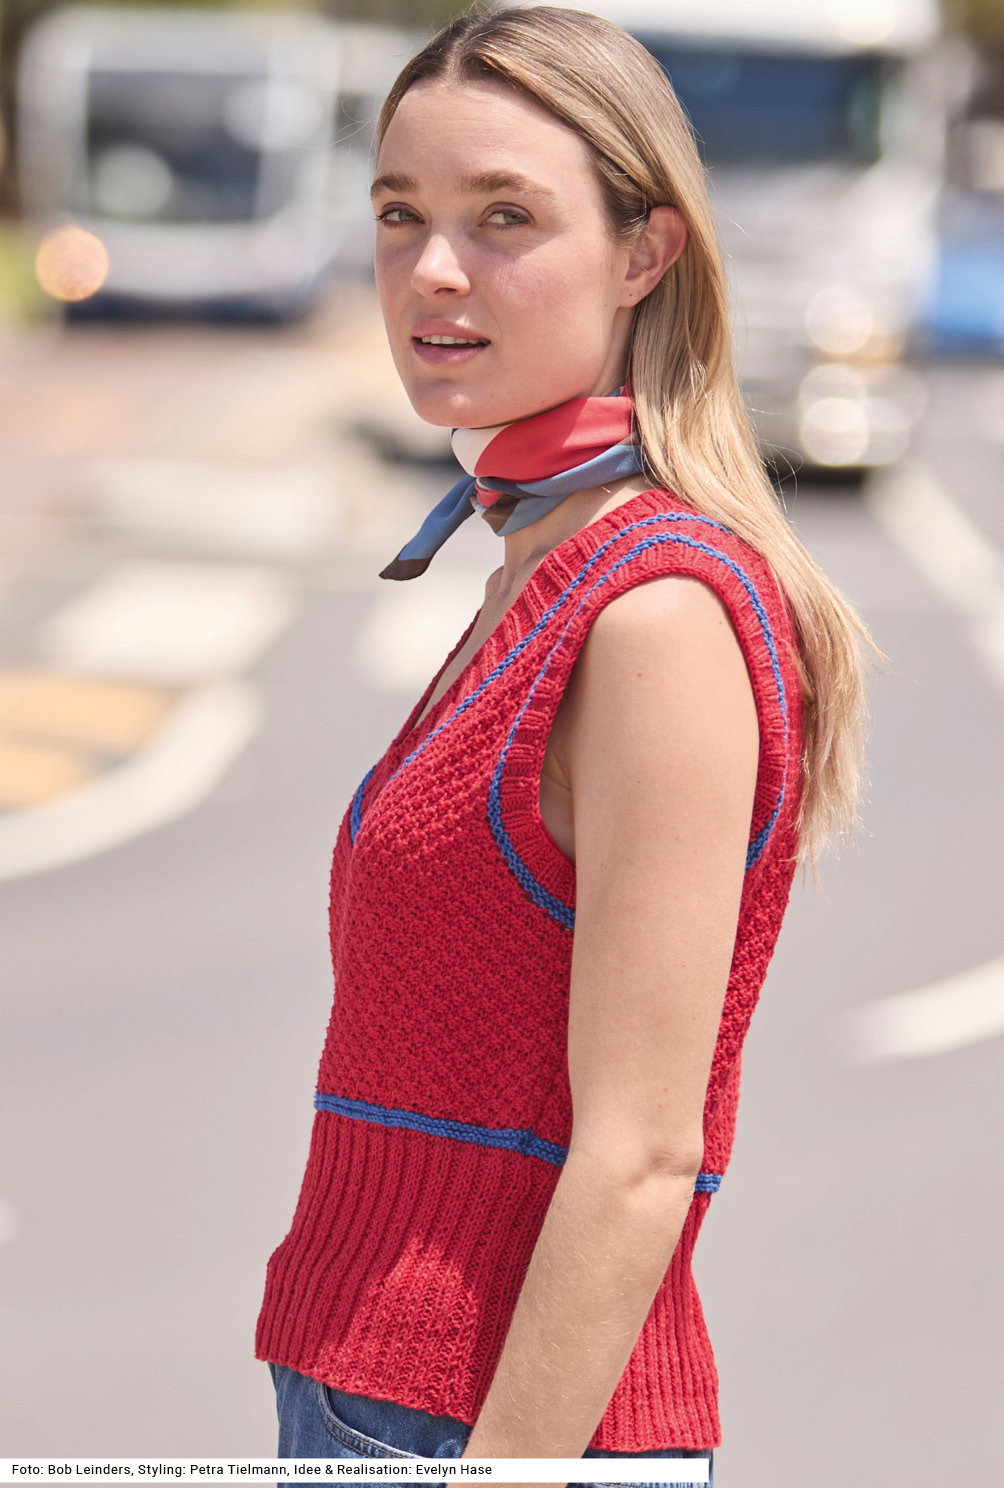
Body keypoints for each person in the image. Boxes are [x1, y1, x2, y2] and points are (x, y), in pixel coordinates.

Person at [255, 5, 881, 1480]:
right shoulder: (537, 567)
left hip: (486, 1427)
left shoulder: (655, 611)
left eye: (504, 217)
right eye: (400, 214)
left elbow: (644, 1154)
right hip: (375, 1398)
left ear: (645, 253)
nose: (434, 269)